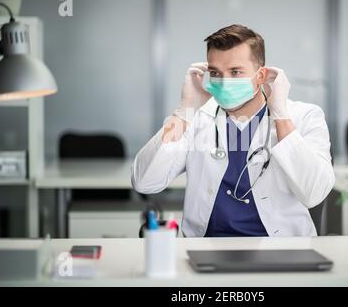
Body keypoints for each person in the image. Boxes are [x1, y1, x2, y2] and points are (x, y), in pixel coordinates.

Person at [132, 24, 335, 237]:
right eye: (215, 72)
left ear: (260, 75)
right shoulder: (198, 118)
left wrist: (281, 115)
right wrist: (184, 111)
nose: (224, 82)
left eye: (235, 72)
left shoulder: (305, 116)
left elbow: (314, 193)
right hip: (206, 248)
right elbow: (144, 182)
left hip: (282, 247)